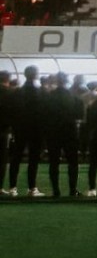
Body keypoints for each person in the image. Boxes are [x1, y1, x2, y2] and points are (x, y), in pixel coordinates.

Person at [46, 72, 83, 198]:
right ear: (66, 81)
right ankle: (73, 190)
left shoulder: (49, 96)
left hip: (53, 132)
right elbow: (80, 116)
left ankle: (56, 190)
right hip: (70, 132)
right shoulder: (73, 97)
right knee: (73, 162)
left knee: (54, 162)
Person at [9, 65, 44, 197]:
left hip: (20, 129)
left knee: (16, 158)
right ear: (35, 75)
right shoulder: (39, 92)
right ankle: (32, 188)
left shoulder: (18, 92)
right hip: (35, 129)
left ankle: (13, 187)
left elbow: (12, 111)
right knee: (33, 159)